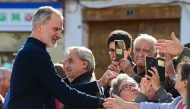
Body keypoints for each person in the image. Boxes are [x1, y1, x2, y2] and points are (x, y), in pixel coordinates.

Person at [3, 6, 117, 109]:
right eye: (56, 29)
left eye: (60, 30)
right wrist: (103, 102)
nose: (59, 35)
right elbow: (64, 93)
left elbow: (62, 89)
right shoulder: (35, 53)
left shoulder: (32, 50)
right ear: (39, 27)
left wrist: (99, 83)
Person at [103, 59, 189, 109]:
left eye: (133, 85)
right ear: (117, 95)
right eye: (126, 87)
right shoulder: (177, 102)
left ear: (185, 82)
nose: (174, 77)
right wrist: (124, 104)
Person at [105, 30, 135, 97]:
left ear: (129, 50)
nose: (114, 54)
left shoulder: (136, 70)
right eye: (111, 50)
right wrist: (110, 85)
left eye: (119, 50)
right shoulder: (109, 71)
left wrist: (131, 75)